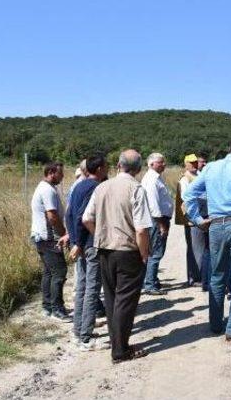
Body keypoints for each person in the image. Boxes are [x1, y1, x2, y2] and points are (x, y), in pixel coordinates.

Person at [183, 136, 231, 340]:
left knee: (217, 276)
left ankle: (215, 324)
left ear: (230, 148)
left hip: (216, 225)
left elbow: (188, 195)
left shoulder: (210, 168)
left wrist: (198, 219)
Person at [82, 149, 153, 363]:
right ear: (138, 168)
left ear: (118, 165)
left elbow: (86, 218)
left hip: (104, 250)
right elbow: (141, 229)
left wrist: (101, 235)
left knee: (112, 299)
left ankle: (118, 345)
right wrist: (144, 254)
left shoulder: (101, 187)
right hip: (127, 250)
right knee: (126, 302)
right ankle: (120, 351)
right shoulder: (136, 188)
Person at [66, 154, 109, 350]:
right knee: (92, 289)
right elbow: (83, 218)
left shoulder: (79, 186)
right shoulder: (95, 188)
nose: (108, 169)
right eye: (106, 166)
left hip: (82, 244)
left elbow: (68, 215)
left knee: (83, 288)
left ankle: (79, 330)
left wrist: (74, 240)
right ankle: (85, 337)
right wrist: (80, 243)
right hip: (90, 244)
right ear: (99, 168)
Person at [30, 161, 71, 322]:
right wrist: (63, 235)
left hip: (41, 237)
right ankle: (57, 309)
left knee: (48, 272)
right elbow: (52, 216)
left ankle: (47, 306)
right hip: (48, 238)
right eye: (60, 173)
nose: (62, 176)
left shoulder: (44, 188)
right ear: (52, 172)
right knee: (59, 272)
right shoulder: (47, 191)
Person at [141, 152, 174, 295]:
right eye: (161, 162)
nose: (164, 164)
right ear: (151, 164)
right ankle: (150, 283)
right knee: (156, 252)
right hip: (157, 220)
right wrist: (161, 224)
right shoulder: (152, 180)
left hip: (159, 219)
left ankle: (151, 279)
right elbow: (153, 205)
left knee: (154, 251)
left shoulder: (155, 178)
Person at [176, 154, 201, 287]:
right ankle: (194, 278)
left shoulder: (198, 175)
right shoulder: (185, 179)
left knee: (200, 249)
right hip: (192, 219)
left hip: (199, 217)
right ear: (186, 163)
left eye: (195, 162)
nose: (194, 164)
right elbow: (187, 199)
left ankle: (199, 276)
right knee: (194, 249)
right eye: (191, 162)